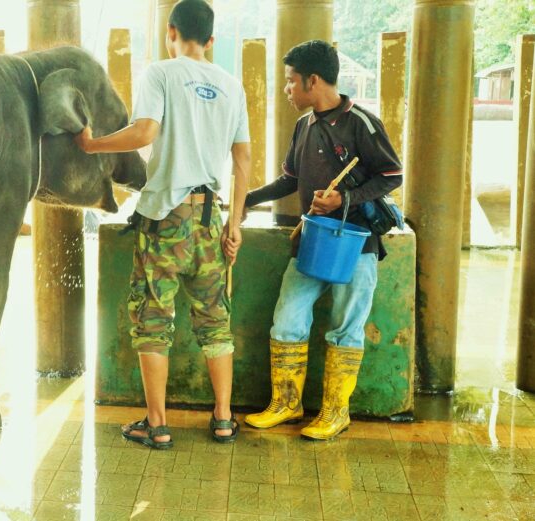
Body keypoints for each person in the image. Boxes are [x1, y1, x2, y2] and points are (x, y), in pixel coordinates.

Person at [75, 0, 250, 448]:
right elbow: (243, 159)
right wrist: (235, 224)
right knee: (215, 320)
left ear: (170, 32)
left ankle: (157, 426)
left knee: (153, 320)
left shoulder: (161, 73)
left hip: (165, 219)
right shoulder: (232, 85)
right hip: (211, 218)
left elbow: (144, 133)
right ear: (211, 40)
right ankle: (224, 418)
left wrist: (92, 145)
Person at [243, 40, 403, 440]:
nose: (287, 89)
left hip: (356, 245)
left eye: (290, 81)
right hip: (312, 242)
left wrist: (344, 199)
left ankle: (336, 412)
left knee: (347, 328)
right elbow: (290, 179)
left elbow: (391, 175)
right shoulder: (304, 126)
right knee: (287, 319)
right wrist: (247, 199)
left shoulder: (361, 123)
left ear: (312, 80)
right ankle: (286, 404)